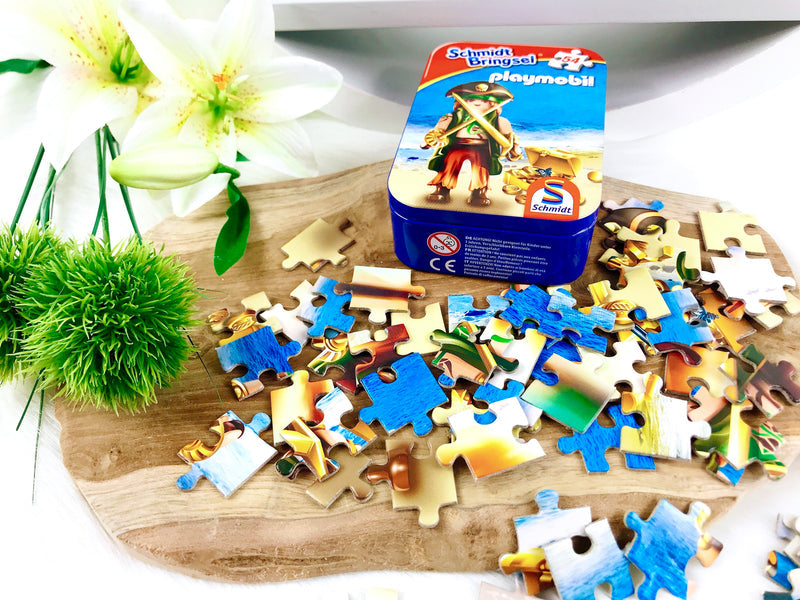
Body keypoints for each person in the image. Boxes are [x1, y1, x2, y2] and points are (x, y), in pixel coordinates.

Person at [422, 81, 520, 206]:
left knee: (481, 166)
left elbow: (509, 139)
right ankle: (442, 188)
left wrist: (515, 148)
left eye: (484, 100)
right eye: (471, 99)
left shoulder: (500, 120)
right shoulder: (451, 117)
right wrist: (430, 140)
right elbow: (436, 132)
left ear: (493, 104)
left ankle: (479, 192)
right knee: (450, 162)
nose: (477, 102)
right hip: (457, 145)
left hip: (482, 147)